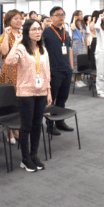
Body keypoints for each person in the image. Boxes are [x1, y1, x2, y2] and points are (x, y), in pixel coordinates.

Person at [4, 19, 52, 172]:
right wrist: (17, 42)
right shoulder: (22, 48)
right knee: (26, 126)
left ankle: (34, 155)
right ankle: (25, 159)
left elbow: (47, 72)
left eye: (39, 29)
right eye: (34, 29)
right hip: (25, 93)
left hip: (41, 92)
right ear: (27, 32)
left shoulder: (43, 49)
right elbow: (9, 61)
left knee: (37, 125)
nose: (38, 32)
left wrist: (48, 91)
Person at [43, 7, 74, 135]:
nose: (61, 17)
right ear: (51, 17)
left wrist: (71, 67)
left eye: (63, 15)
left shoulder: (65, 32)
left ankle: (60, 121)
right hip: (53, 70)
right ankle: (50, 124)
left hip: (66, 70)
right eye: (58, 15)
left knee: (63, 98)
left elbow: (69, 49)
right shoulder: (46, 32)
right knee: (51, 100)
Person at [0, 10, 24, 144]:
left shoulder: (24, 34)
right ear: (8, 20)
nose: (19, 21)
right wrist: (7, 35)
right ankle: (9, 130)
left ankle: (17, 128)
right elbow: (4, 51)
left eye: (20, 18)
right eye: (15, 18)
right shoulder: (5, 35)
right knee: (10, 101)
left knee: (21, 101)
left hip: (23, 70)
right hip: (10, 71)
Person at [70, 10, 86, 88]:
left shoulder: (82, 25)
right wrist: (74, 19)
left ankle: (80, 79)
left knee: (82, 62)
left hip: (83, 43)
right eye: (79, 14)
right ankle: (76, 80)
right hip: (77, 43)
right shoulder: (73, 24)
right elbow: (72, 28)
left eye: (81, 14)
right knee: (76, 62)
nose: (81, 16)